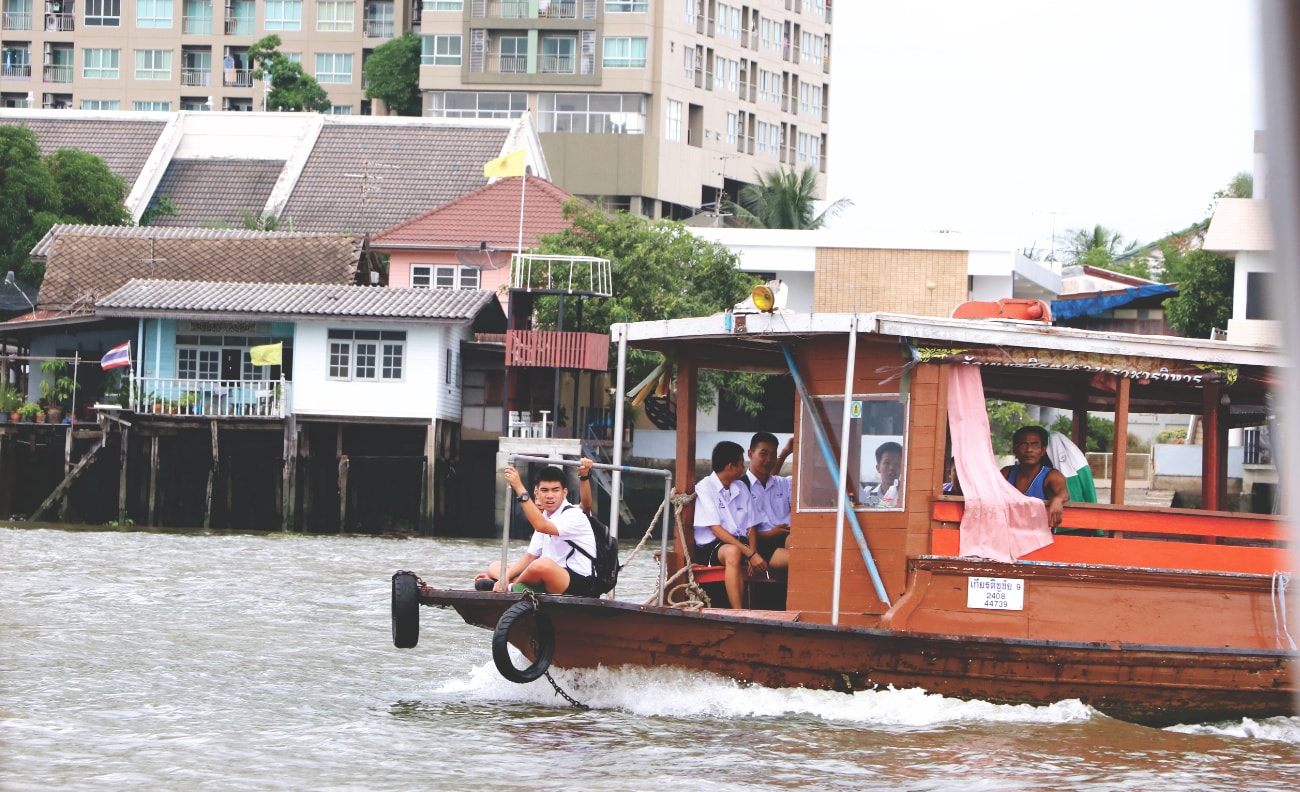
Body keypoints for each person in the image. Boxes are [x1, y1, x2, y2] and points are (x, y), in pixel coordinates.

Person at [473, 465, 601, 596]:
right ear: (537, 493)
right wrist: (504, 576)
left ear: (564, 493)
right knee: (496, 566)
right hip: (551, 578)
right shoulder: (546, 516)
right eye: (544, 490)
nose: (550, 495)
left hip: (582, 582)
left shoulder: (573, 515)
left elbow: (541, 526)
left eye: (555, 490)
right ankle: (507, 582)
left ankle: (511, 587)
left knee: (541, 564)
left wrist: (519, 487)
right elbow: (530, 556)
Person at [693, 440, 758, 608]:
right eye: (741, 462)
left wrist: (753, 552)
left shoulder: (742, 487)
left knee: (746, 554)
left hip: (740, 543)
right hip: (712, 546)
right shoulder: (705, 487)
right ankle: (738, 612)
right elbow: (716, 530)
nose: (743, 467)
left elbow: (751, 526)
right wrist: (749, 553)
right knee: (733, 552)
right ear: (730, 466)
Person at [1001, 425, 1069, 529]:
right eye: (1024, 444)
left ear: (1043, 450)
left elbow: (1063, 492)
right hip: (1009, 535)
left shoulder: (1051, 475)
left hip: (1040, 536)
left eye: (1035, 445)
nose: (1029, 450)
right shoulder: (1006, 473)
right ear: (1015, 449)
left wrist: (1058, 499)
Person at [744, 432, 793, 573]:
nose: (768, 460)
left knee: (810, 549)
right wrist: (769, 534)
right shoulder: (741, 487)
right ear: (750, 453)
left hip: (787, 535)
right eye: (763, 454)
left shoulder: (783, 483)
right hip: (761, 544)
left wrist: (786, 451)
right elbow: (736, 531)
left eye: (773, 455)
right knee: (801, 559)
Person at [861, 441, 903, 507]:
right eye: (887, 463)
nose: (892, 468)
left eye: (897, 464)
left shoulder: (905, 495)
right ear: (878, 468)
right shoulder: (868, 493)